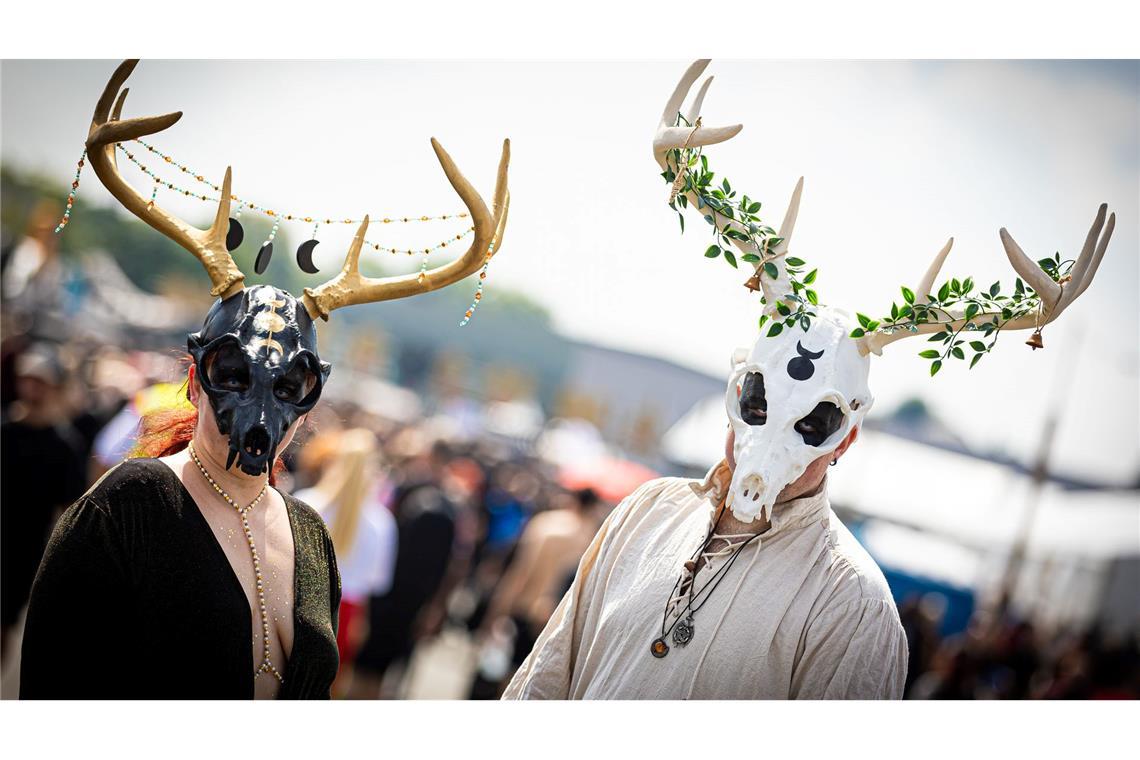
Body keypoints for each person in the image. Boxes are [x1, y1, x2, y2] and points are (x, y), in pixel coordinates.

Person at [503, 60, 1115, 700]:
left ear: (845, 437)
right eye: (760, 400)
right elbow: (544, 680)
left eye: (813, 422)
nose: (769, 438)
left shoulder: (854, 611)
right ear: (736, 389)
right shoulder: (645, 512)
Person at [19, 58, 511, 699]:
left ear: (310, 401)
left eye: (288, 387)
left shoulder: (310, 536)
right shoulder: (128, 505)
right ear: (195, 378)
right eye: (234, 374)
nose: (259, 413)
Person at [294, 428, 398, 696]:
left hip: (297, 600)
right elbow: (377, 583)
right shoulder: (382, 523)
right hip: (348, 614)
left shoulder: (304, 503)